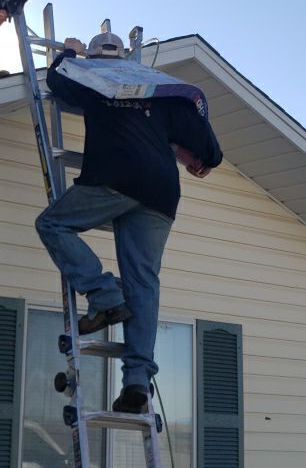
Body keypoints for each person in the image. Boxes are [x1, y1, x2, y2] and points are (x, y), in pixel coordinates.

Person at [36, 32, 223, 414]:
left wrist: (69, 53)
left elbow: (57, 80)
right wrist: (194, 158)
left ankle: (104, 296)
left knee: (53, 225)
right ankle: (137, 381)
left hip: (115, 174)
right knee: (144, 280)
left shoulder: (94, 77)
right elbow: (209, 151)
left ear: (94, 57)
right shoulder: (159, 91)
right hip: (161, 190)